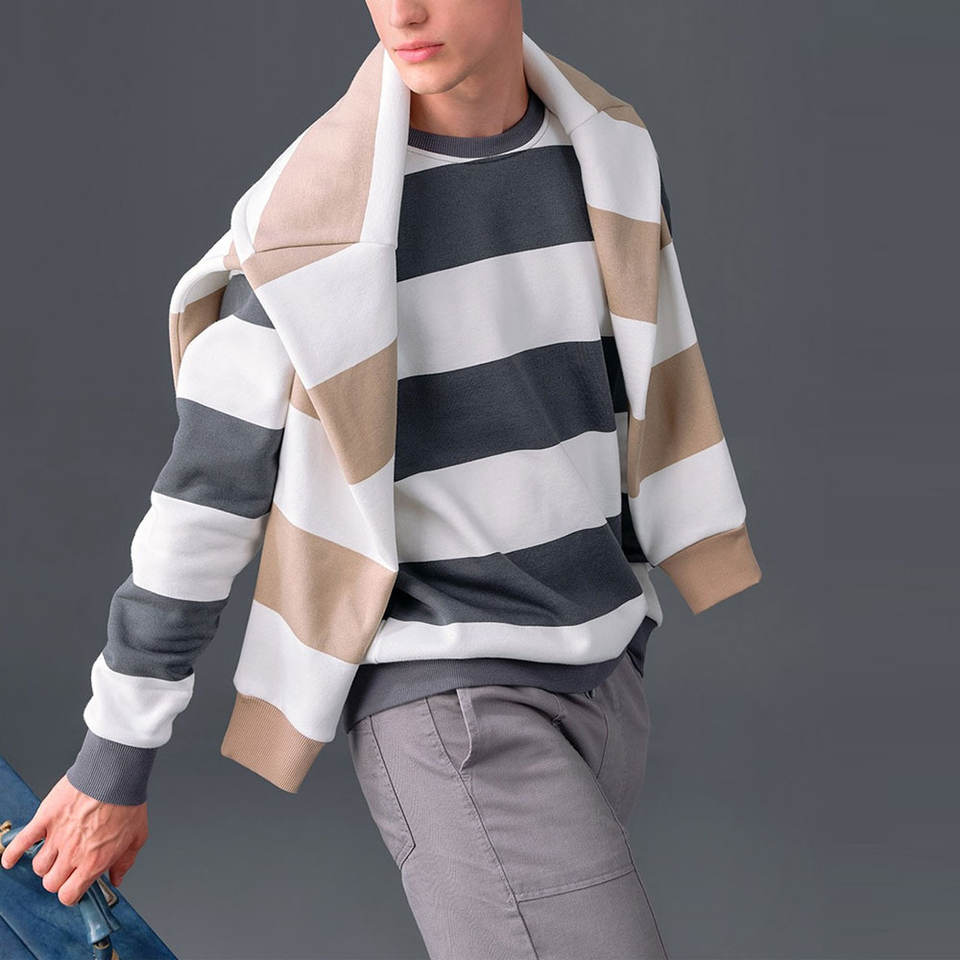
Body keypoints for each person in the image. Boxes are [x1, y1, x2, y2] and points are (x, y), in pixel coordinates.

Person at [2, 2, 761, 957]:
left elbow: (629, 398)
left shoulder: (609, 152)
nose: (402, 11)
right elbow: (202, 505)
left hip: (604, 672)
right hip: (453, 702)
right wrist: (114, 760)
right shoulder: (312, 221)